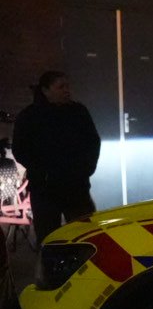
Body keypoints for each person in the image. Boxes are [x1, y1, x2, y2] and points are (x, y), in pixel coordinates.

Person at [11, 70, 100, 243]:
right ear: (46, 90)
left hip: (75, 186)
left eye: (67, 86)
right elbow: (20, 149)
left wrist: (86, 169)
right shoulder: (30, 116)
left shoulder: (78, 112)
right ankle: (50, 267)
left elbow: (92, 142)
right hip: (45, 188)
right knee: (48, 236)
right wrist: (42, 171)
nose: (67, 90)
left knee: (86, 235)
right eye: (61, 87)